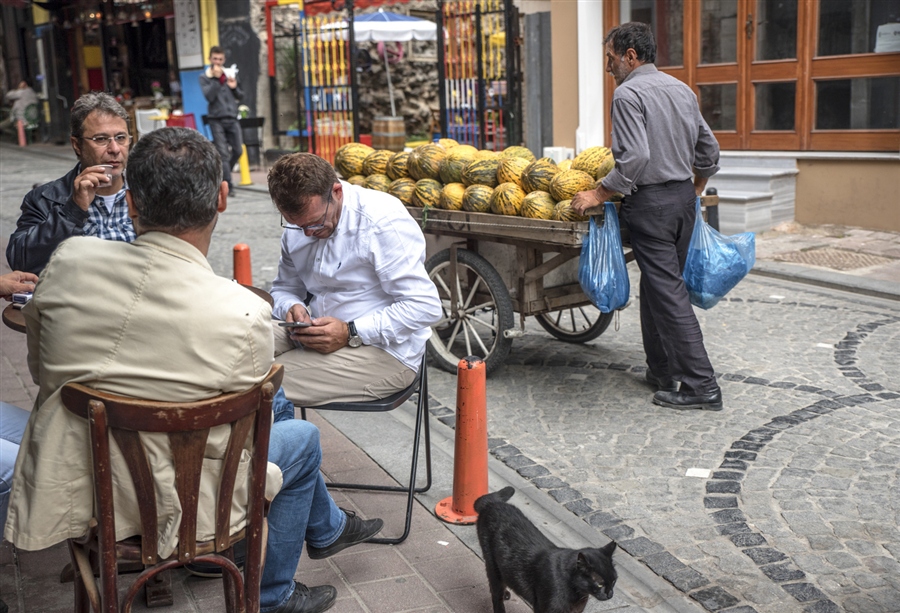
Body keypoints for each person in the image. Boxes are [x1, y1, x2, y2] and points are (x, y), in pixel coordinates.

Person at [3, 128, 382, 613]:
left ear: (132, 202)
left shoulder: (69, 261)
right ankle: (272, 595)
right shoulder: (239, 313)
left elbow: (41, 368)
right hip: (187, 503)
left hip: (83, 484)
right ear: (222, 198)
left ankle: (309, 538)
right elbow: (242, 439)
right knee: (300, 441)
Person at [571, 22, 722, 412]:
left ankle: (701, 386)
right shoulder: (682, 89)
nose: (609, 67)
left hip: (651, 205)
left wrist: (599, 192)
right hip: (682, 202)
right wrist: (694, 190)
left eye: (610, 58)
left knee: (668, 294)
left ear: (630, 56)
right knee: (659, 288)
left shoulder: (628, 94)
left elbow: (634, 159)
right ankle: (661, 369)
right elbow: (710, 152)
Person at [266, 153, 443, 408]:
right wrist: (293, 307)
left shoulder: (381, 221)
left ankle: (281, 445)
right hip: (314, 329)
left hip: (386, 350)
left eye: (315, 223)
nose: (307, 233)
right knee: (229, 357)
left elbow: (424, 307)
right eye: (296, 224)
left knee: (260, 386)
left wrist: (350, 331)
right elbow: (284, 288)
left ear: (337, 191)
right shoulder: (300, 227)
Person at [6, 92, 135, 274]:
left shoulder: (149, 192)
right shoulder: (45, 199)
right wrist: (72, 210)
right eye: (101, 139)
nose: (114, 149)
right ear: (76, 145)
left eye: (121, 138)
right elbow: (21, 262)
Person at [199, 46, 243, 196]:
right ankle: (228, 185)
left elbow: (240, 95)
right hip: (216, 119)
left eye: (220, 59)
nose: (217, 62)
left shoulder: (230, 74)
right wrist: (217, 80)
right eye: (214, 59)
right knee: (223, 153)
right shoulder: (205, 77)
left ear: (224, 60)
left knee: (238, 150)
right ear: (210, 59)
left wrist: (235, 87)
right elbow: (209, 97)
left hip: (232, 117)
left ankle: (223, 174)